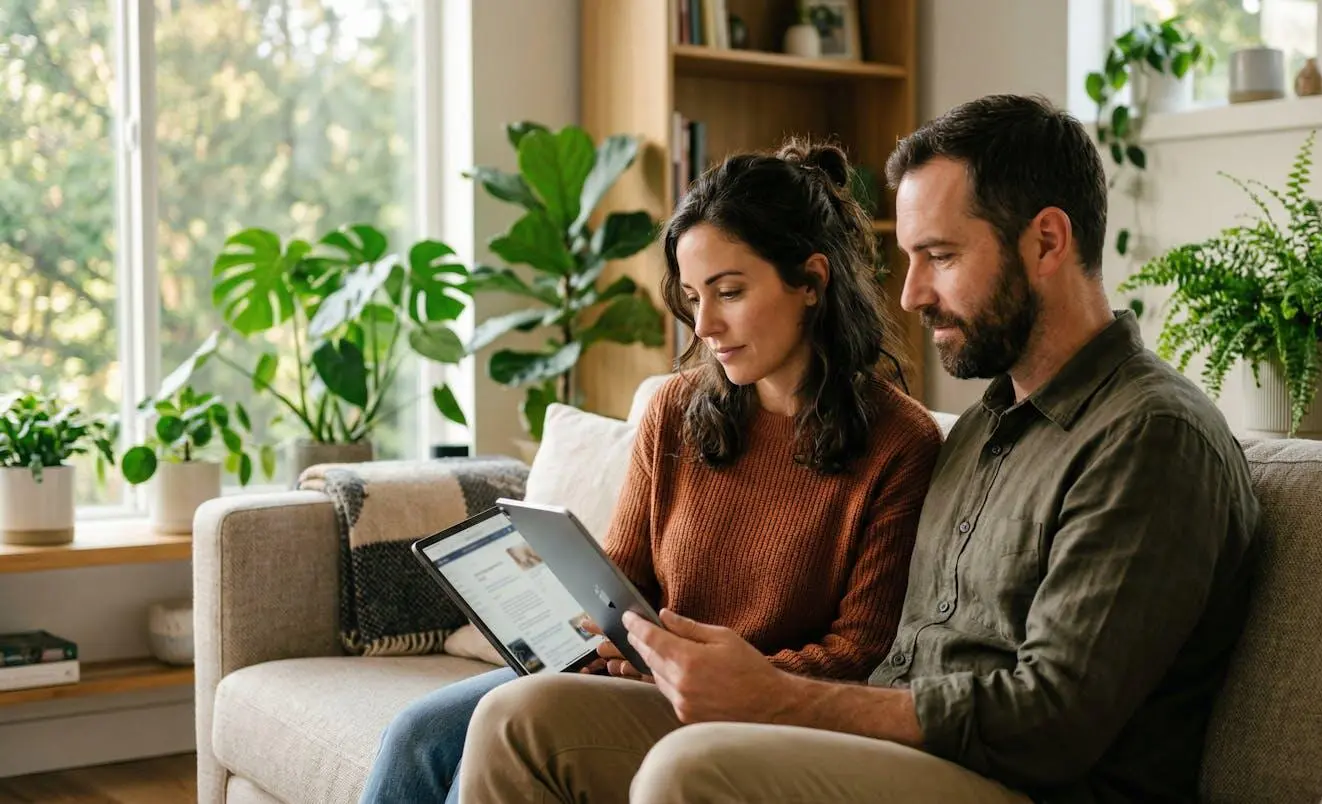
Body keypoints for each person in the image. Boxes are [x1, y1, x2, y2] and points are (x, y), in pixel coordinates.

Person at [455, 94, 1261, 804]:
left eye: (940, 257)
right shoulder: (989, 425)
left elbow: (1049, 725)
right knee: (522, 718)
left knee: (688, 772)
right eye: (909, 258)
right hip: (892, 743)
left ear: (1047, 241)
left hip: (1022, 784)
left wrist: (775, 695)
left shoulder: (1148, 437)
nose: (911, 293)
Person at [356, 140, 943, 804]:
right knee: (415, 733)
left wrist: (696, 672)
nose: (706, 324)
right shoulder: (675, 409)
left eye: (729, 292)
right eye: (692, 297)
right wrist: (580, 624)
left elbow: (858, 655)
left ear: (810, 281)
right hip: (637, 677)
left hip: (743, 708)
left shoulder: (899, 444)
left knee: (490, 746)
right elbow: (621, 576)